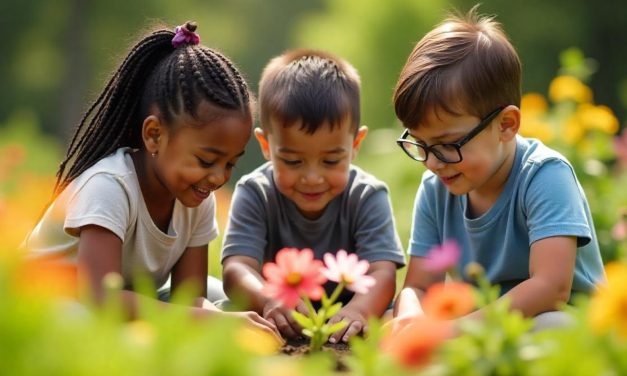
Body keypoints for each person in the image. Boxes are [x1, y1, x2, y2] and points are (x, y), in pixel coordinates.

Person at [23, 21, 280, 339]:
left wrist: (215, 319)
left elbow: (190, 298)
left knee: (219, 298)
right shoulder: (110, 187)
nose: (218, 177)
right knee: (82, 321)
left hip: (124, 301)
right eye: (206, 160)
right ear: (154, 135)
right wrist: (209, 322)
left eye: (230, 163)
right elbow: (101, 298)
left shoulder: (196, 198)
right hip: (47, 301)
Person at [391, 8, 606, 331]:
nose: (432, 162)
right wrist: (411, 316)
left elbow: (551, 288)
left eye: (447, 144)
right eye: (420, 143)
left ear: (506, 125)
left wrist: (452, 332)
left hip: (560, 324)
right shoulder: (435, 188)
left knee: (552, 325)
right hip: (480, 327)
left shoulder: (545, 176)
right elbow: (419, 286)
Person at [220, 49, 406, 343]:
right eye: (293, 161)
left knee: (394, 317)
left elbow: (382, 271)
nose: (312, 178)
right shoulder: (255, 192)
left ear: (355, 144)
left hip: (349, 318)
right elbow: (237, 267)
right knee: (227, 315)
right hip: (278, 315)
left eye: (331, 161)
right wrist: (267, 299)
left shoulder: (367, 195)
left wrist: (359, 310)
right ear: (266, 146)